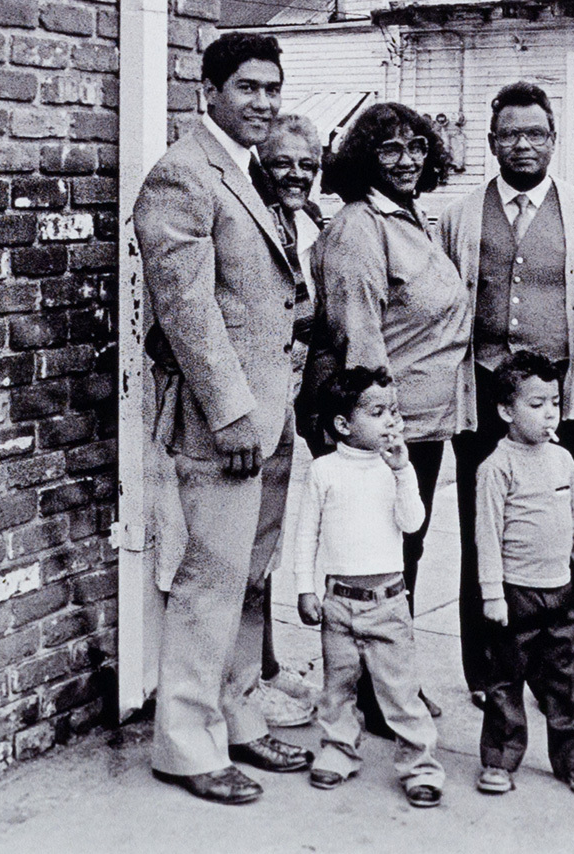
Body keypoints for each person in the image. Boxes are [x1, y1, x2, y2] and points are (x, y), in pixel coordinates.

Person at [134, 32, 313, 805]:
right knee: (211, 581)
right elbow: (187, 312)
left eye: (272, 89)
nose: (264, 104)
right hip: (227, 424)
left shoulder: (250, 171)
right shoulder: (182, 175)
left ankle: (238, 717)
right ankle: (185, 743)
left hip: (275, 417)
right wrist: (234, 413)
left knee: (251, 579)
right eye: (247, 88)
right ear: (207, 89)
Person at [438, 81, 574, 708]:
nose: (523, 144)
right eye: (510, 133)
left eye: (535, 133)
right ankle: (489, 675)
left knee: (553, 533)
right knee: (483, 532)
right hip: (483, 393)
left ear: (553, 140)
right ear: (491, 142)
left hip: (558, 401)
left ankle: (553, 673)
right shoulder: (461, 216)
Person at [303, 101, 470, 721]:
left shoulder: (408, 220)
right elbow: (358, 338)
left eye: (417, 148)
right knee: (375, 563)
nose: (408, 160)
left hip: (419, 424)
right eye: (390, 149)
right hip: (383, 427)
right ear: (362, 159)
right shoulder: (358, 227)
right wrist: (379, 434)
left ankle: (387, 679)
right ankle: (373, 692)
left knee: (402, 555)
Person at [293, 367, 444, 808]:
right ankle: (339, 751)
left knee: (400, 690)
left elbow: (412, 523)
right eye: (377, 412)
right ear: (343, 424)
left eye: (393, 411)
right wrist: (305, 588)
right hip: (339, 602)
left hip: (388, 603)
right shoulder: (324, 471)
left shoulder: (394, 467)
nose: (390, 422)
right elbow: (307, 534)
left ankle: (420, 766)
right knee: (338, 687)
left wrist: (403, 473)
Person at [474, 352, 574, 799]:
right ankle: (500, 758)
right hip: (515, 594)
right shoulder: (496, 468)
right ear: (506, 411)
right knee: (506, 682)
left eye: (553, 401)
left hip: (561, 590)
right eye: (536, 403)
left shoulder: (564, 460)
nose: (549, 412)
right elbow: (486, 537)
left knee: (564, 681)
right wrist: (492, 593)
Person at [253, 114, 326, 727]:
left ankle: (269, 667)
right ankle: (251, 679)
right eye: (283, 162)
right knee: (248, 550)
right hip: (248, 410)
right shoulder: (253, 219)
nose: (296, 173)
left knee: (270, 541)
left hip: (289, 409)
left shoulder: (307, 221)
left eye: (307, 163)